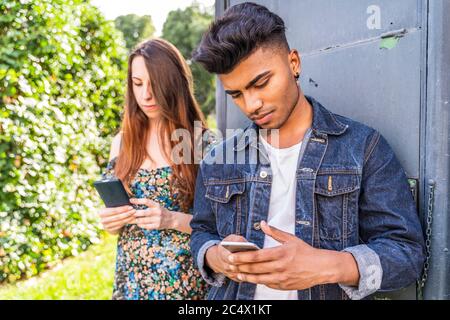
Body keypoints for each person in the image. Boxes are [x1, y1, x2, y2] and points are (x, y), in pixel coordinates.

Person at [189, 2, 425, 300]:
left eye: (261, 83)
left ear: (294, 63)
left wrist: (332, 265)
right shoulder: (218, 158)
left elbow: (408, 254)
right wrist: (215, 256)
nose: (251, 105)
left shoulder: (362, 147)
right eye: (236, 94)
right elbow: (201, 232)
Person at [99, 38, 215, 300]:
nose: (146, 95)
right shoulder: (122, 142)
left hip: (183, 286)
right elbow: (116, 222)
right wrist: (111, 221)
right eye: (137, 84)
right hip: (131, 282)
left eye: (155, 84)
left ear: (173, 83)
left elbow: (220, 224)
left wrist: (171, 219)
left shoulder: (201, 143)